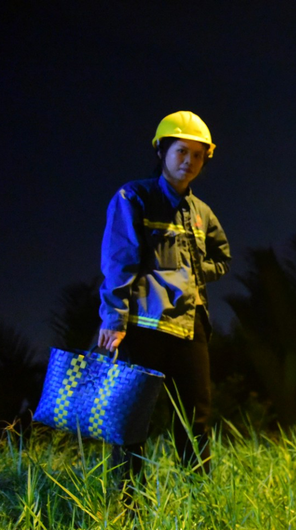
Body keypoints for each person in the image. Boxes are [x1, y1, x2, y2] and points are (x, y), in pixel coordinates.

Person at [97, 111, 231, 488]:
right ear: (161, 151)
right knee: (131, 420)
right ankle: (126, 511)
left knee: (195, 422)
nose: (189, 161)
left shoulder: (202, 213)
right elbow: (120, 260)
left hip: (191, 329)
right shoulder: (134, 196)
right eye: (181, 151)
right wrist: (114, 318)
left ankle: (199, 505)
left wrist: (192, 271)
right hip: (143, 326)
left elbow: (222, 258)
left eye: (198, 155)